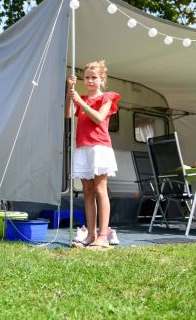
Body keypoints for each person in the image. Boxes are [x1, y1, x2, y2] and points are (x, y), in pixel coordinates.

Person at [65, 60, 120, 249]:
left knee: (100, 189)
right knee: (87, 192)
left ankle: (103, 236)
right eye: (86, 77)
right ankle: (91, 234)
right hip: (83, 148)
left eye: (94, 77)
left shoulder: (107, 97)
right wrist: (69, 92)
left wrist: (80, 101)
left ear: (102, 79)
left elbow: (99, 118)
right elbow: (68, 114)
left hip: (99, 147)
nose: (89, 81)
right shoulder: (81, 98)